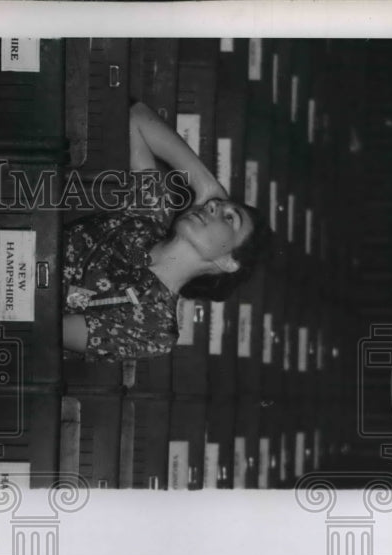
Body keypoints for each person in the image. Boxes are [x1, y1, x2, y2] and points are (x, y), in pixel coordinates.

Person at [62, 101, 272, 362]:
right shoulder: (148, 214)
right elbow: (136, 118)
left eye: (230, 218)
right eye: (217, 204)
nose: (214, 207)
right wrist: (207, 184)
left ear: (228, 261)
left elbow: (47, 325)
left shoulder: (156, 328)